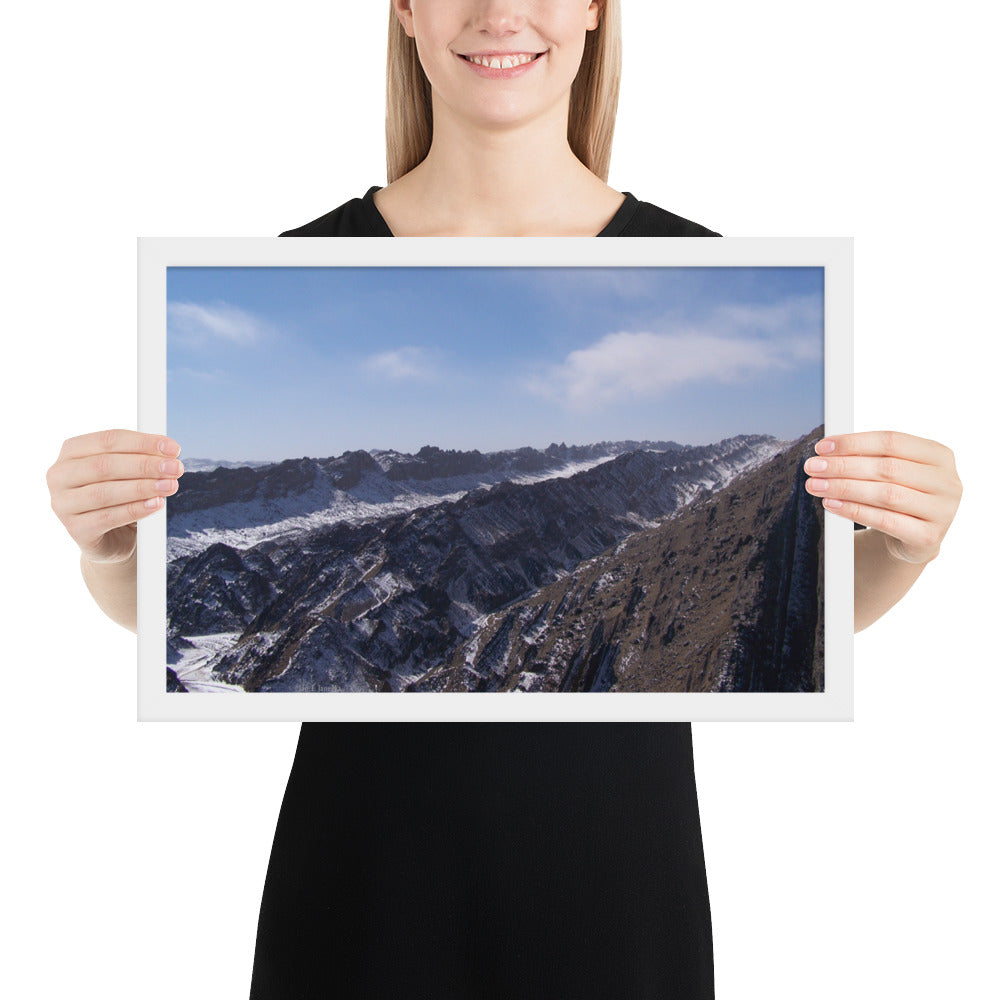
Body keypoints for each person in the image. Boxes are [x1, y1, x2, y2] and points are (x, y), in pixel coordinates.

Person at [45, 2, 962, 997]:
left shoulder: (703, 254)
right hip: (362, 880)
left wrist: (904, 546)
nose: (499, 11)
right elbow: (153, 620)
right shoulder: (299, 255)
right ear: (402, 10)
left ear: (596, 11)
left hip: (616, 885)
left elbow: (793, 618)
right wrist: (106, 549)